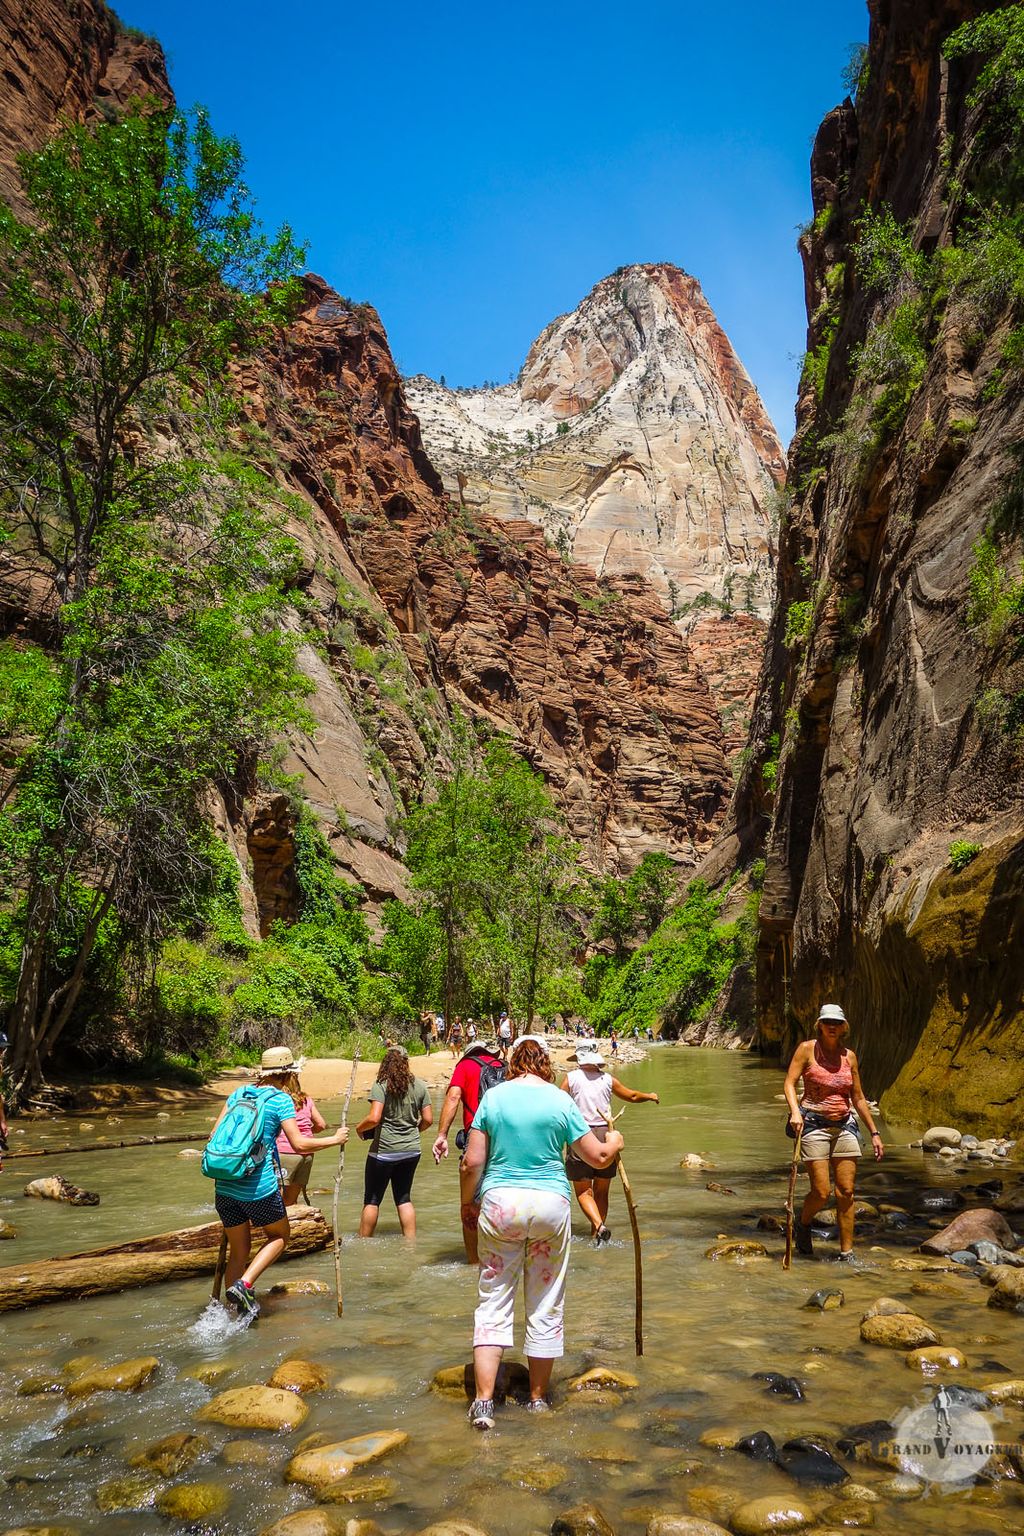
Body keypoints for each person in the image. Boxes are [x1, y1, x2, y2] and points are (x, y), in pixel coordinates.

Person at [460, 1035, 623, 1429]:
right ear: (546, 1064)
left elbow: (471, 1163)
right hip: (551, 1205)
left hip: (502, 1204)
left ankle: (483, 1404)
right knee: (546, 1299)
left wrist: (468, 1202)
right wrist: (615, 1140)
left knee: (494, 1299)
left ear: (514, 1061)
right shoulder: (560, 1100)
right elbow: (598, 1156)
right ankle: (536, 1400)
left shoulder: (495, 1098)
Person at [209, 1046, 348, 1323]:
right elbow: (299, 1143)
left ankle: (231, 1315)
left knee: (239, 1249)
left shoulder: (237, 1094)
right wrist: (335, 1139)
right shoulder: (280, 1100)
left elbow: (214, 1134)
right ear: (287, 1074)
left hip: (224, 1185)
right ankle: (244, 1285)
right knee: (280, 1236)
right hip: (257, 1188)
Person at [783, 1003, 884, 1261]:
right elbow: (790, 1083)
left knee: (847, 1192)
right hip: (813, 1124)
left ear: (843, 1028)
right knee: (821, 1192)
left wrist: (874, 1132)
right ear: (819, 1024)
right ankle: (804, 1225)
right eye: (827, 1021)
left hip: (844, 1125)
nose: (831, 1026)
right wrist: (795, 1112)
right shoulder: (806, 1050)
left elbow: (858, 1097)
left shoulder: (849, 1056)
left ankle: (846, 1252)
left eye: (836, 1022)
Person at [560, 1043, 659, 1242]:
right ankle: (596, 1234)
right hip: (606, 1135)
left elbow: (558, 1104)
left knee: (583, 1191)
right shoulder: (607, 1079)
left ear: (579, 1059)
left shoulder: (571, 1078)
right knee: (602, 1190)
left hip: (580, 1136)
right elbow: (631, 1095)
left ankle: (598, 1225)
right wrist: (650, 1096)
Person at [432, 1038, 507, 1261]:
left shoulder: (465, 1065)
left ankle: (474, 1262)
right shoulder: (505, 1066)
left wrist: (442, 1135)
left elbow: (454, 1097)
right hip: (507, 1141)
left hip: (477, 1140)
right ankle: (503, 1256)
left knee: (470, 1205)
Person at [355, 1046, 433, 1238]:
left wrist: (359, 1128)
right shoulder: (420, 1085)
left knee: (372, 1200)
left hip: (384, 1151)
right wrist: (414, 1132)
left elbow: (374, 1118)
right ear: (406, 1063)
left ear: (386, 1064)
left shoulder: (381, 1085)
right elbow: (428, 1120)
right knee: (404, 1198)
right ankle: (410, 1243)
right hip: (412, 1151)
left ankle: (364, 1244)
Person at [273, 1066, 328, 1205]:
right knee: (291, 1200)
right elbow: (321, 1124)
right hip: (307, 1153)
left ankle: (276, 1226)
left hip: (285, 1152)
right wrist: (308, 1132)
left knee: (277, 1199)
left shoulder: (278, 1100)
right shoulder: (306, 1099)